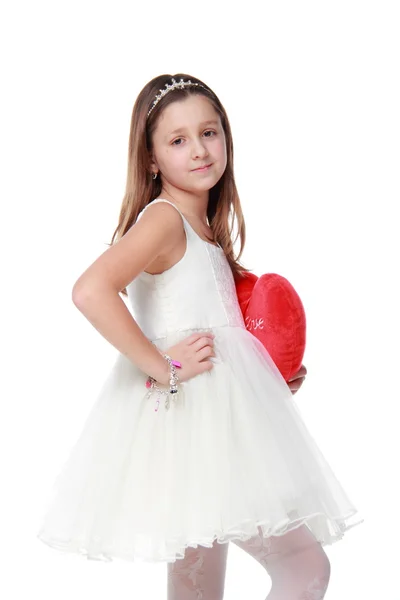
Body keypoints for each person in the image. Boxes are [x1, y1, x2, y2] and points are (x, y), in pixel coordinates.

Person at [37, 74, 364, 600]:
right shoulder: (165, 220)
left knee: (197, 591)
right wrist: (162, 365)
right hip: (199, 428)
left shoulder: (203, 228)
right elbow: (90, 290)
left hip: (218, 427)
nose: (199, 150)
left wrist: (267, 375)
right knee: (305, 568)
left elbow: (220, 331)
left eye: (209, 132)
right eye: (177, 140)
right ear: (150, 160)